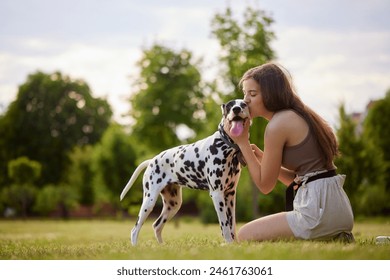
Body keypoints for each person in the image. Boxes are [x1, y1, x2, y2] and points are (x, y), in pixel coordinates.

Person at [224, 62, 354, 242]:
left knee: (245, 234)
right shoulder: (300, 114)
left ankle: (325, 233)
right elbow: (297, 181)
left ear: (271, 94)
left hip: (317, 211)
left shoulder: (277, 125)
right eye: (245, 94)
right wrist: (262, 158)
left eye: (252, 94)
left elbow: (265, 185)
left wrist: (243, 143)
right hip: (338, 208)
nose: (245, 100)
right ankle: (333, 235)